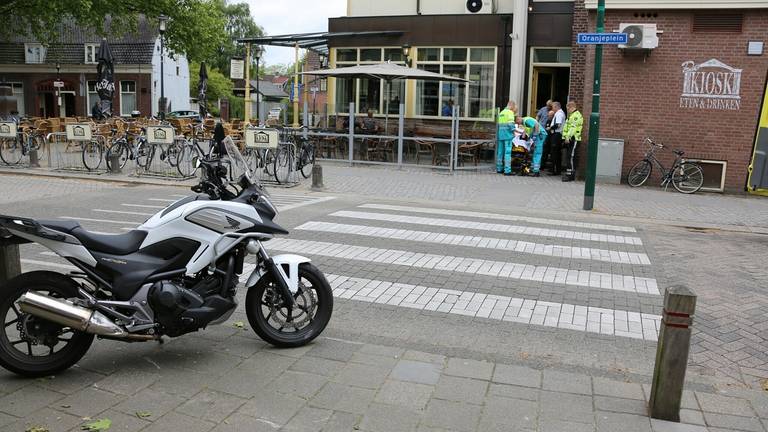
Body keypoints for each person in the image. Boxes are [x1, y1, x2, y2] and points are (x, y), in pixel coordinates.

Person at [562, 101, 584, 182]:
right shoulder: (572, 115)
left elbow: (573, 128)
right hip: (570, 139)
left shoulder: (575, 116)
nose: (567, 110)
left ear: (571, 107)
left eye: (567, 108)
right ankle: (569, 174)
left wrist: (568, 137)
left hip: (574, 139)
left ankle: (570, 175)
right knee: (569, 157)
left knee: (571, 157)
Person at [496, 100, 517, 173]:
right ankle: (507, 170)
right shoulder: (510, 112)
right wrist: (514, 131)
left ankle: (499, 168)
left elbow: (498, 124)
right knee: (507, 153)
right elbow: (511, 124)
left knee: (500, 152)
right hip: (508, 135)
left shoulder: (501, 112)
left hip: (500, 135)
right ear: (512, 106)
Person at [548, 101, 566, 175]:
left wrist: (550, 128)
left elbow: (558, 124)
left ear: (556, 107)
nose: (552, 109)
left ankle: (554, 170)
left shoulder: (559, 114)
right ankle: (557, 169)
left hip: (556, 135)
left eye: (553, 107)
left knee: (554, 152)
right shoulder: (561, 113)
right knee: (557, 153)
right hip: (558, 135)